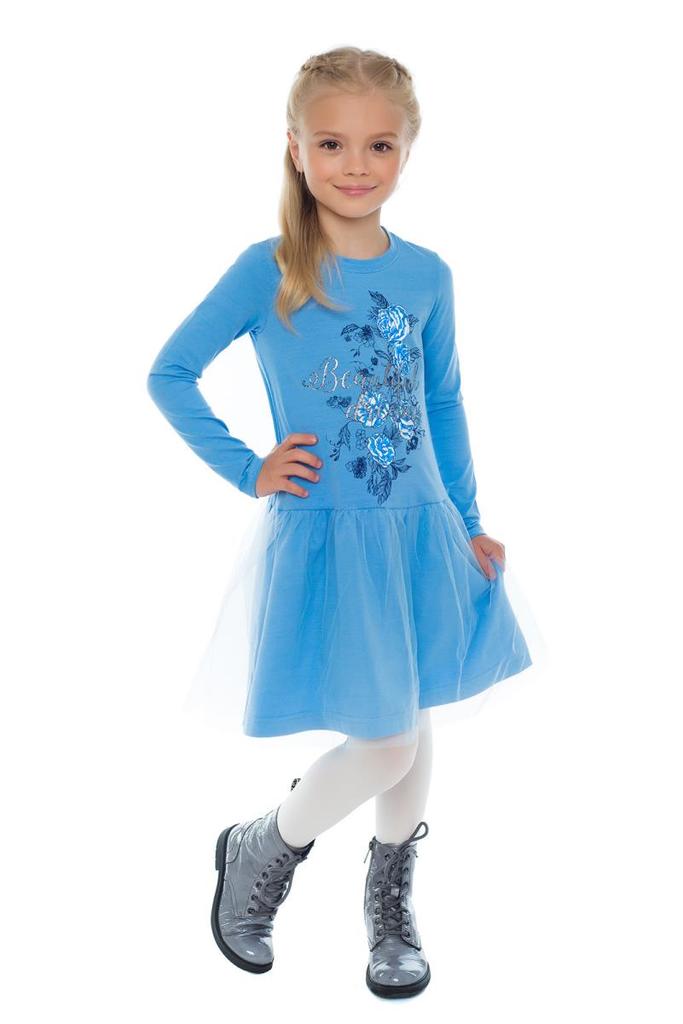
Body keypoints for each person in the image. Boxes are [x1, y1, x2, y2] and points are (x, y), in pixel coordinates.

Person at [146, 47, 534, 999]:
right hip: (330, 528)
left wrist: (468, 521)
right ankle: (262, 846)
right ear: (295, 147)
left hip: (419, 524)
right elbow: (170, 373)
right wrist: (249, 468)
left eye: (378, 145)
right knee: (385, 737)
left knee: (413, 705)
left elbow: (441, 403)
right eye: (331, 143)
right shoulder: (272, 267)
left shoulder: (427, 274)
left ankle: (389, 898)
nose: (355, 165)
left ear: (406, 150)